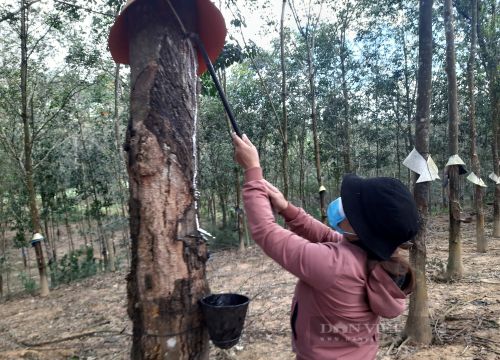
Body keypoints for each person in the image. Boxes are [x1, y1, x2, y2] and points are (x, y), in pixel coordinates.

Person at [231, 133, 419, 360]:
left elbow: (265, 231)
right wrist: (286, 208)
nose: (344, 206)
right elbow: (326, 236)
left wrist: (252, 170)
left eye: (351, 209)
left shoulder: (333, 265)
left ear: (362, 229)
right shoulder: (376, 255)